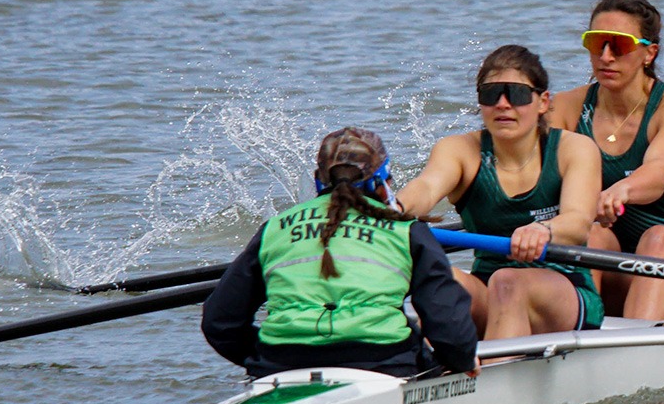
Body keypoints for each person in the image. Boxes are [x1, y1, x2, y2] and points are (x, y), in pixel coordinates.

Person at [202, 127, 479, 378]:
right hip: (381, 364)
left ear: (317, 180)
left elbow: (219, 322)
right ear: (383, 183)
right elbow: (446, 322)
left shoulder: (273, 229)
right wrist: (461, 359)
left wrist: (262, 358)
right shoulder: (405, 230)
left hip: (280, 365)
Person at [396, 45, 604, 339]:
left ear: (543, 102)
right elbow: (427, 187)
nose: (503, 104)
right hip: (489, 288)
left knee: (509, 282)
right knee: (436, 276)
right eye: (491, 94)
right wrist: (390, 208)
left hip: (565, 290)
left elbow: (578, 221)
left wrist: (544, 230)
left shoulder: (573, 149)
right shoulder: (459, 150)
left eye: (517, 94)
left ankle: (489, 376)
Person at [548, 0, 664, 320]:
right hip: (619, 269)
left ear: (649, 52)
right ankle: (567, 341)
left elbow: (661, 170)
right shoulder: (566, 108)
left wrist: (621, 190)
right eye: (596, 43)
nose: (606, 56)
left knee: (656, 240)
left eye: (619, 45)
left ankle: (632, 355)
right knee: (591, 235)